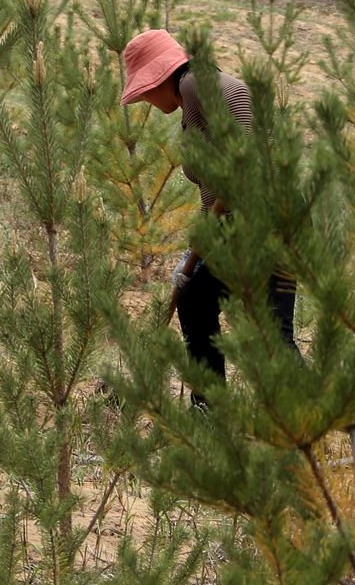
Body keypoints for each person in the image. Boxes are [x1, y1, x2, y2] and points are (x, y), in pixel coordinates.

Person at [120, 29, 296, 398]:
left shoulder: (195, 83)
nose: (146, 101)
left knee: (268, 339)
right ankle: (210, 414)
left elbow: (241, 103)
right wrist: (195, 252)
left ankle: (212, 413)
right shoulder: (193, 96)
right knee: (201, 302)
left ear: (160, 77)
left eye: (144, 91)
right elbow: (213, 192)